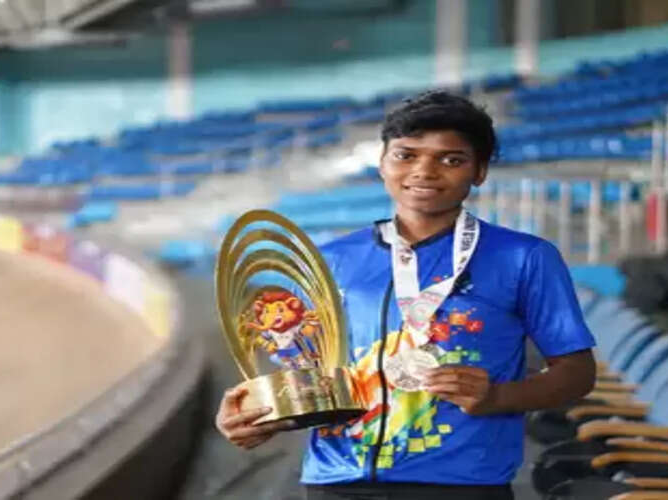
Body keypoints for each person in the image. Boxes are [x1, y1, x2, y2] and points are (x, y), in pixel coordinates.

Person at [216, 91, 596, 500]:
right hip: (336, 482)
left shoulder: (524, 258)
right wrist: (257, 410)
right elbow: (308, 374)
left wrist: (501, 396)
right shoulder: (330, 261)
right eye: (405, 155)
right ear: (383, 163)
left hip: (461, 487)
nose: (424, 171)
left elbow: (577, 373)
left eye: (451, 160)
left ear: (480, 171)